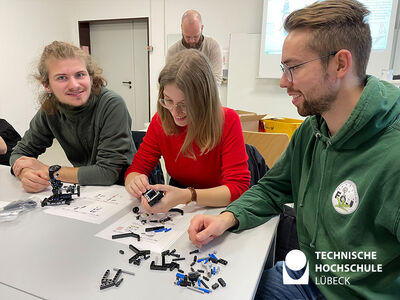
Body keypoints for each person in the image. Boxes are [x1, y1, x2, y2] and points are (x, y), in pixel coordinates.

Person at [188, 1, 400, 299]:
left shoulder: (393, 152)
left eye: (294, 68)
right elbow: (272, 188)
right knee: (240, 289)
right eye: (283, 68)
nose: (284, 81)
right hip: (310, 275)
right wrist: (226, 217)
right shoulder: (312, 131)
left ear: (340, 64)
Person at [125, 49, 250, 213]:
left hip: (219, 206)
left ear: (204, 99)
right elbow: (136, 168)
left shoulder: (227, 120)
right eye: (168, 100)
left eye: (185, 104)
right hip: (182, 202)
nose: (175, 112)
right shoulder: (160, 121)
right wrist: (135, 181)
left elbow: (238, 189)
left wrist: (188, 195)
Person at [10, 41, 136, 193]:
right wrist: (26, 174)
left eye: (80, 74)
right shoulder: (51, 108)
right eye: (62, 78)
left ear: (90, 77)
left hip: (123, 189)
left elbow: (107, 173)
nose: (74, 85)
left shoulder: (111, 104)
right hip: (87, 189)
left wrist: (49, 171)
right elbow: (19, 153)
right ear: (47, 85)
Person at [166, 9, 223, 85]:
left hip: (207, 96)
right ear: (181, 28)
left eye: (196, 36)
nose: (192, 41)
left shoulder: (212, 46)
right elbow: (170, 81)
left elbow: (216, 79)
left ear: (202, 28)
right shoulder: (173, 52)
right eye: (188, 37)